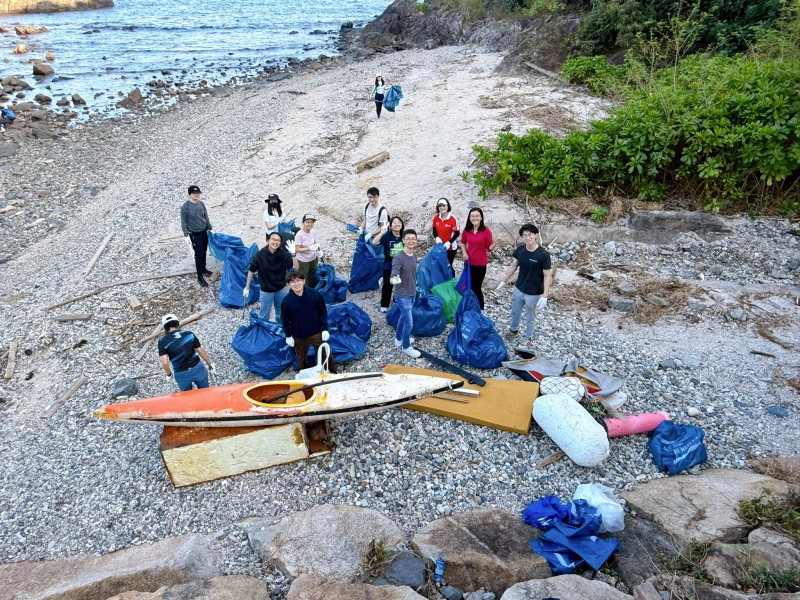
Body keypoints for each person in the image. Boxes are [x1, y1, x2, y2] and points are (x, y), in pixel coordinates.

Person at [496, 224, 552, 338]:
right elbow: (513, 266)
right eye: (524, 235)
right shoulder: (520, 250)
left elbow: (547, 275)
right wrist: (504, 280)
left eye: (530, 234)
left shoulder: (543, 255)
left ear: (536, 235)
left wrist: (545, 295)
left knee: (530, 315)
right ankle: (513, 330)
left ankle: (528, 336)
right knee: (515, 311)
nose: (527, 237)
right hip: (519, 288)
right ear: (521, 237)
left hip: (534, 292)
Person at [281, 271, 338, 373]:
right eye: (292, 282)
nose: (296, 284)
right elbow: (284, 320)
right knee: (301, 358)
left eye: (298, 280)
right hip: (298, 336)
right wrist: (288, 335)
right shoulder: (286, 301)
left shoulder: (315, 295)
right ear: (289, 285)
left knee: (325, 353)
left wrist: (324, 329)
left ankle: (333, 372)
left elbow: (322, 313)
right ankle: (304, 376)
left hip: (316, 332)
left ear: (304, 281)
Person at [244, 232, 299, 322]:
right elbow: (251, 271)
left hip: (281, 289)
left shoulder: (283, 254)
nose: (275, 242)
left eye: (278, 240)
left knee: (281, 313)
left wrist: (293, 254)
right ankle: (263, 332)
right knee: (264, 315)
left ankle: (280, 330)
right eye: (273, 239)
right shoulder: (259, 255)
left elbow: (295, 268)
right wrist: (247, 287)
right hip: (266, 291)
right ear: (268, 240)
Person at [461, 207, 504, 310]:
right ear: (469, 218)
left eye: (477, 216)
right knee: (468, 286)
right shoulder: (467, 230)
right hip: (469, 263)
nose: (474, 218)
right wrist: (464, 253)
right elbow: (462, 242)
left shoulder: (486, 231)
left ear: (481, 218)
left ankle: (480, 308)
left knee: (476, 287)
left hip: (480, 264)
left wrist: (496, 242)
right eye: (472, 216)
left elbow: (489, 248)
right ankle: (470, 306)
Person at [158, 313, 214, 392]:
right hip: (197, 368)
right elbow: (200, 351)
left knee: (187, 396)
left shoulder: (162, 341)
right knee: (205, 392)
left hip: (181, 373)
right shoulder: (189, 334)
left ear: (165, 327)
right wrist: (209, 363)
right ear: (177, 323)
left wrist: (169, 374)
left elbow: (165, 362)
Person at [390, 229, 421, 358]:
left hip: (412, 292)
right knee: (409, 322)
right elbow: (394, 272)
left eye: (413, 238)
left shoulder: (414, 255)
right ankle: (406, 347)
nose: (411, 241)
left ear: (416, 240)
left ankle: (398, 339)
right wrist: (393, 279)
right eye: (408, 238)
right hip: (402, 295)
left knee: (403, 317)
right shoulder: (399, 257)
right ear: (403, 240)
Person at [180, 185, 214, 287]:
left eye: (198, 193)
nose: (196, 195)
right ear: (190, 194)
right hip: (195, 234)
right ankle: (200, 276)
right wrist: (186, 235)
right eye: (194, 193)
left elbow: (205, 217)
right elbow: (183, 222)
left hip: (204, 231)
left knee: (204, 251)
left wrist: (210, 228)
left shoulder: (201, 204)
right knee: (198, 254)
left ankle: (203, 269)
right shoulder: (185, 207)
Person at [372, 215, 405, 312]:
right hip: (389, 264)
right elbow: (375, 242)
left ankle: (396, 301)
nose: (397, 224)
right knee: (387, 285)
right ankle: (384, 304)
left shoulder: (404, 236)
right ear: (390, 226)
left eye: (399, 222)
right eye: (394, 222)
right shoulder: (387, 236)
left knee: (400, 285)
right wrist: (382, 232)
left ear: (402, 225)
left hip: (401, 265)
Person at [431, 198, 460, 277]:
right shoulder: (436, 217)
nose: (442, 207)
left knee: (448, 265)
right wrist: (436, 237)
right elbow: (434, 229)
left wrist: (449, 242)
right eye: (440, 205)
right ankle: (440, 283)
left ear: (448, 206)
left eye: (444, 205)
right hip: (439, 245)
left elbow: (457, 233)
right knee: (438, 264)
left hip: (450, 247)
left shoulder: (453, 219)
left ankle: (451, 282)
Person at [294, 214, 321, 284]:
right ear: (303, 223)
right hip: (303, 260)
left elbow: (314, 241)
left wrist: (319, 250)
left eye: (311, 222)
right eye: (307, 222)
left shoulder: (312, 231)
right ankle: (304, 290)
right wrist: (309, 248)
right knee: (304, 277)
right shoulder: (299, 235)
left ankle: (311, 289)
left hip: (313, 258)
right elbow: (297, 249)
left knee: (312, 274)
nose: (310, 224)